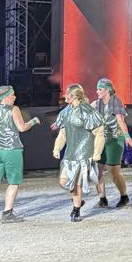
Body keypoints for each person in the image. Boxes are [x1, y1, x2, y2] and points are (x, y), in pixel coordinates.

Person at [0, 85, 40, 224]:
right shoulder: (13, 109)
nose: (15, 97)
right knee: (13, 183)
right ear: (4, 97)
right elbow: (22, 128)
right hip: (12, 150)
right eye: (12, 95)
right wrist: (33, 121)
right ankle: (7, 214)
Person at [53, 84, 105, 222]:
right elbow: (63, 133)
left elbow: (99, 132)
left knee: (76, 183)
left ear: (74, 96)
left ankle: (75, 210)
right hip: (70, 153)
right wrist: (57, 148)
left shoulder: (87, 111)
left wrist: (97, 152)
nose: (65, 96)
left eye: (67, 94)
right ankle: (78, 201)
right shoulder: (65, 112)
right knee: (64, 181)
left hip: (84, 153)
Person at [95, 78, 132, 208]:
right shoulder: (97, 103)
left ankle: (124, 196)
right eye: (97, 89)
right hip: (102, 139)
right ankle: (102, 199)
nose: (97, 91)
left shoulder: (116, 101)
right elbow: (84, 110)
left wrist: (127, 138)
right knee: (97, 170)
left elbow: (120, 121)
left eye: (100, 89)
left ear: (107, 90)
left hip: (115, 139)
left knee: (113, 171)